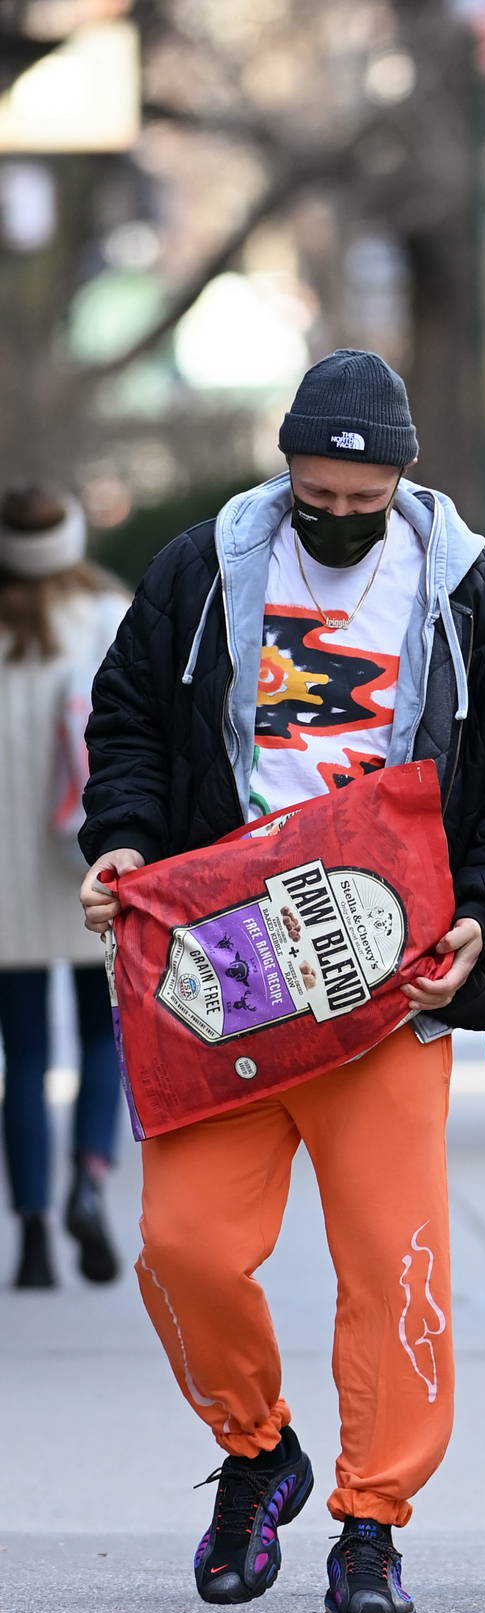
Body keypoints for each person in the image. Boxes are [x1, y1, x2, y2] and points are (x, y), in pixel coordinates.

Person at [79, 350, 485, 1613]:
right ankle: (259, 1451)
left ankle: (372, 1527)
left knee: (396, 1266)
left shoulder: (484, 598)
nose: (342, 521)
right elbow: (130, 721)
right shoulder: (201, 573)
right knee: (182, 1245)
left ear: (405, 482)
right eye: (319, 497)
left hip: (389, 977)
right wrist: (125, 842)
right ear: (287, 470)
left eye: (366, 506)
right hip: (228, 969)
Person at [0, 486, 128, 1290]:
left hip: (5, 887)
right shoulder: (108, 614)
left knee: (24, 1056)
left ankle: (36, 1232)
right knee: (100, 1038)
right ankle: (89, 1179)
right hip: (91, 868)